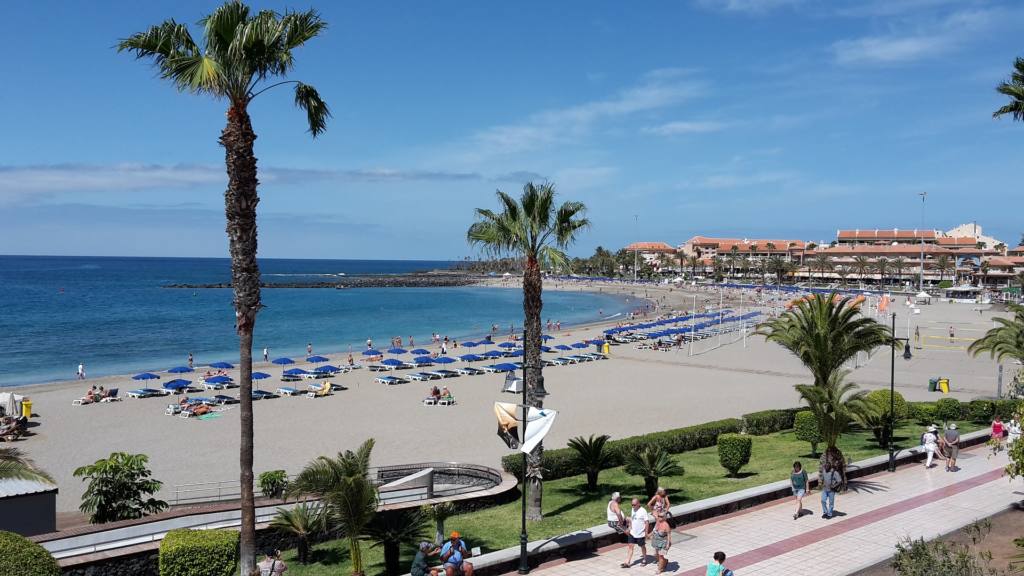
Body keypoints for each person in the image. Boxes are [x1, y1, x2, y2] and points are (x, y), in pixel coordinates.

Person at [622, 498, 649, 568]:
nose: (633, 506)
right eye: (632, 505)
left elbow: (647, 522)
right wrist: (629, 527)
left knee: (642, 546)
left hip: (640, 534)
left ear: (638, 504)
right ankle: (627, 562)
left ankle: (645, 559)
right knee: (630, 546)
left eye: (634, 505)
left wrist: (646, 533)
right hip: (632, 533)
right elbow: (632, 519)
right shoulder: (633, 509)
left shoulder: (643, 511)